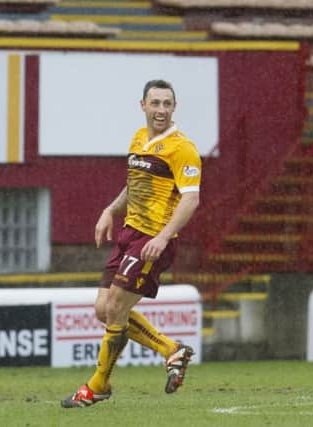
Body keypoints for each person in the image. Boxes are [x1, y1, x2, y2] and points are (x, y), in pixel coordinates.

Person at [61, 79, 202, 408]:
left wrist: (163, 237)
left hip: (153, 240)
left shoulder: (182, 148)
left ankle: (98, 385)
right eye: (155, 103)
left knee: (115, 308)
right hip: (128, 234)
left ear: (174, 108)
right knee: (103, 309)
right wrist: (110, 210)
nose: (161, 110)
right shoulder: (139, 139)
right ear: (143, 106)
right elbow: (134, 185)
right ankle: (171, 350)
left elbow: (192, 199)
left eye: (167, 104)